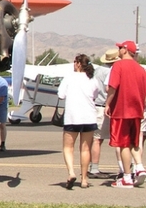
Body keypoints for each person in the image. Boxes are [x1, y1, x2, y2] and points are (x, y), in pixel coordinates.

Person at [106, 41, 146, 188]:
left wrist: (108, 104)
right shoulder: (141, 69)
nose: (119, 50)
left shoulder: (118, 66)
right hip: (137, 110)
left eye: (120, 48)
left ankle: (127, 177)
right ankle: (139, 166)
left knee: (123, 144)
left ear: (125, 50)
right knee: (134, 142)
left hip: (122, 110)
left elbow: (112, 87)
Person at [57, 54, 99, 189]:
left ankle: (71, 172)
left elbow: (61, 95)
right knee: (85, 148)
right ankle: (85, 178)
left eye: (75, 62)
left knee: (68, 147)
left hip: (72, 117)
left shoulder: (69, 78)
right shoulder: (92, 79)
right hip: (89, 116)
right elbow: (95, 95)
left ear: (79, 64)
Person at [89, 49, 119, 178]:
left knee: (96, 138)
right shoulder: (111, 72)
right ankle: (94, 168)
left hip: (97, 105)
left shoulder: (97, 70)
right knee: (98, 139)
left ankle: (94, 166)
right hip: (104, 106)